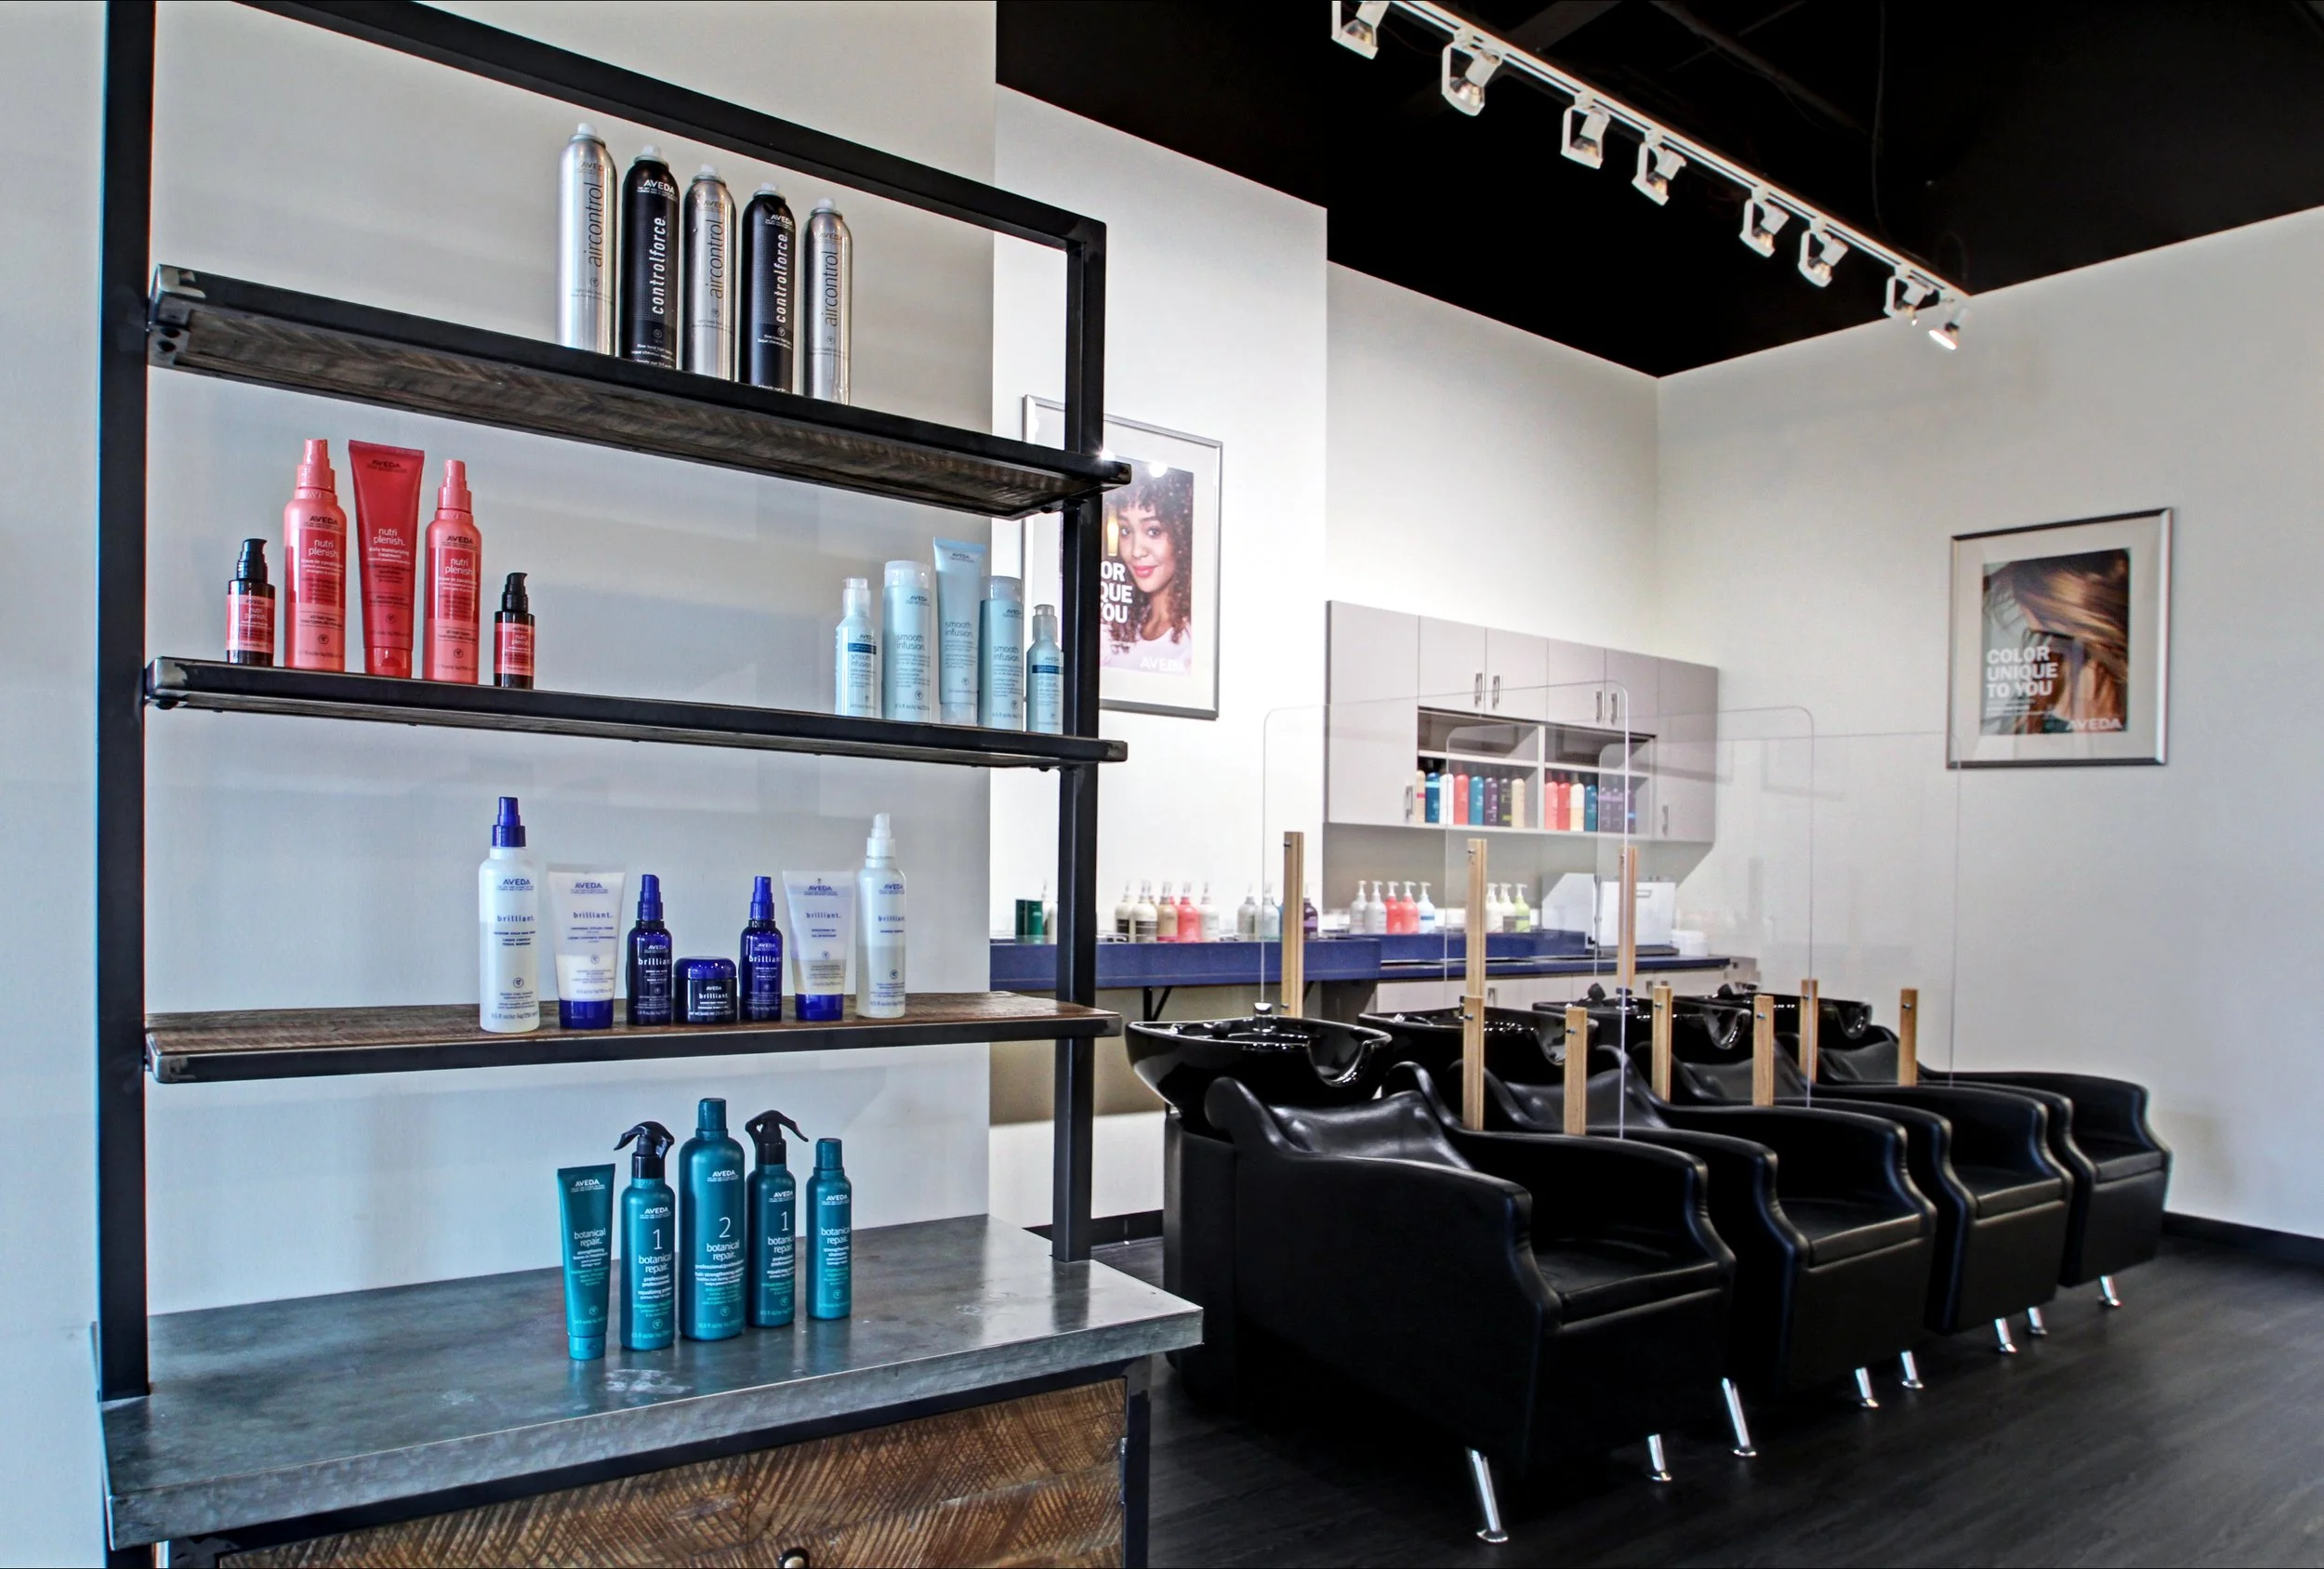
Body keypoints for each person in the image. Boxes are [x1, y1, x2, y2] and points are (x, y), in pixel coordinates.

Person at [1103, 466, 1195, 676]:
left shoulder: (1194, 642)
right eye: (1126, 531)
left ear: (1181, 537)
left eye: (1153, 531)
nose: (1136, 551)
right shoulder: (1121, 627)